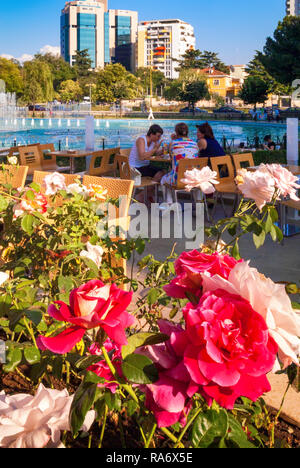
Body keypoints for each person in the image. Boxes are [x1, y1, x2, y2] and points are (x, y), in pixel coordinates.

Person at [129, 124, 165, 202]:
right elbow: (142, 157)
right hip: (135, 169)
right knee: (160, 174)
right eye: (158, 136)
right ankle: (143, 195)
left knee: (162, 173)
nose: (159, 138)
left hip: (144, 166)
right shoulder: (141, 140)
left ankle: (146, 194)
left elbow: (155, 153)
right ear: (151, 134)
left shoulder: (153, 142)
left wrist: (163, 150)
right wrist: (155, 149)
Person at [160, 122, 199, 189]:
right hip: (194, 179)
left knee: (163, 179)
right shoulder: (195, 144)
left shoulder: (173, 143)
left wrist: (173, 139)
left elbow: (169, 156)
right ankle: (198, 199)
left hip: (177, 179)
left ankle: (169, 200)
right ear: (187, 132)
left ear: (176, 132)